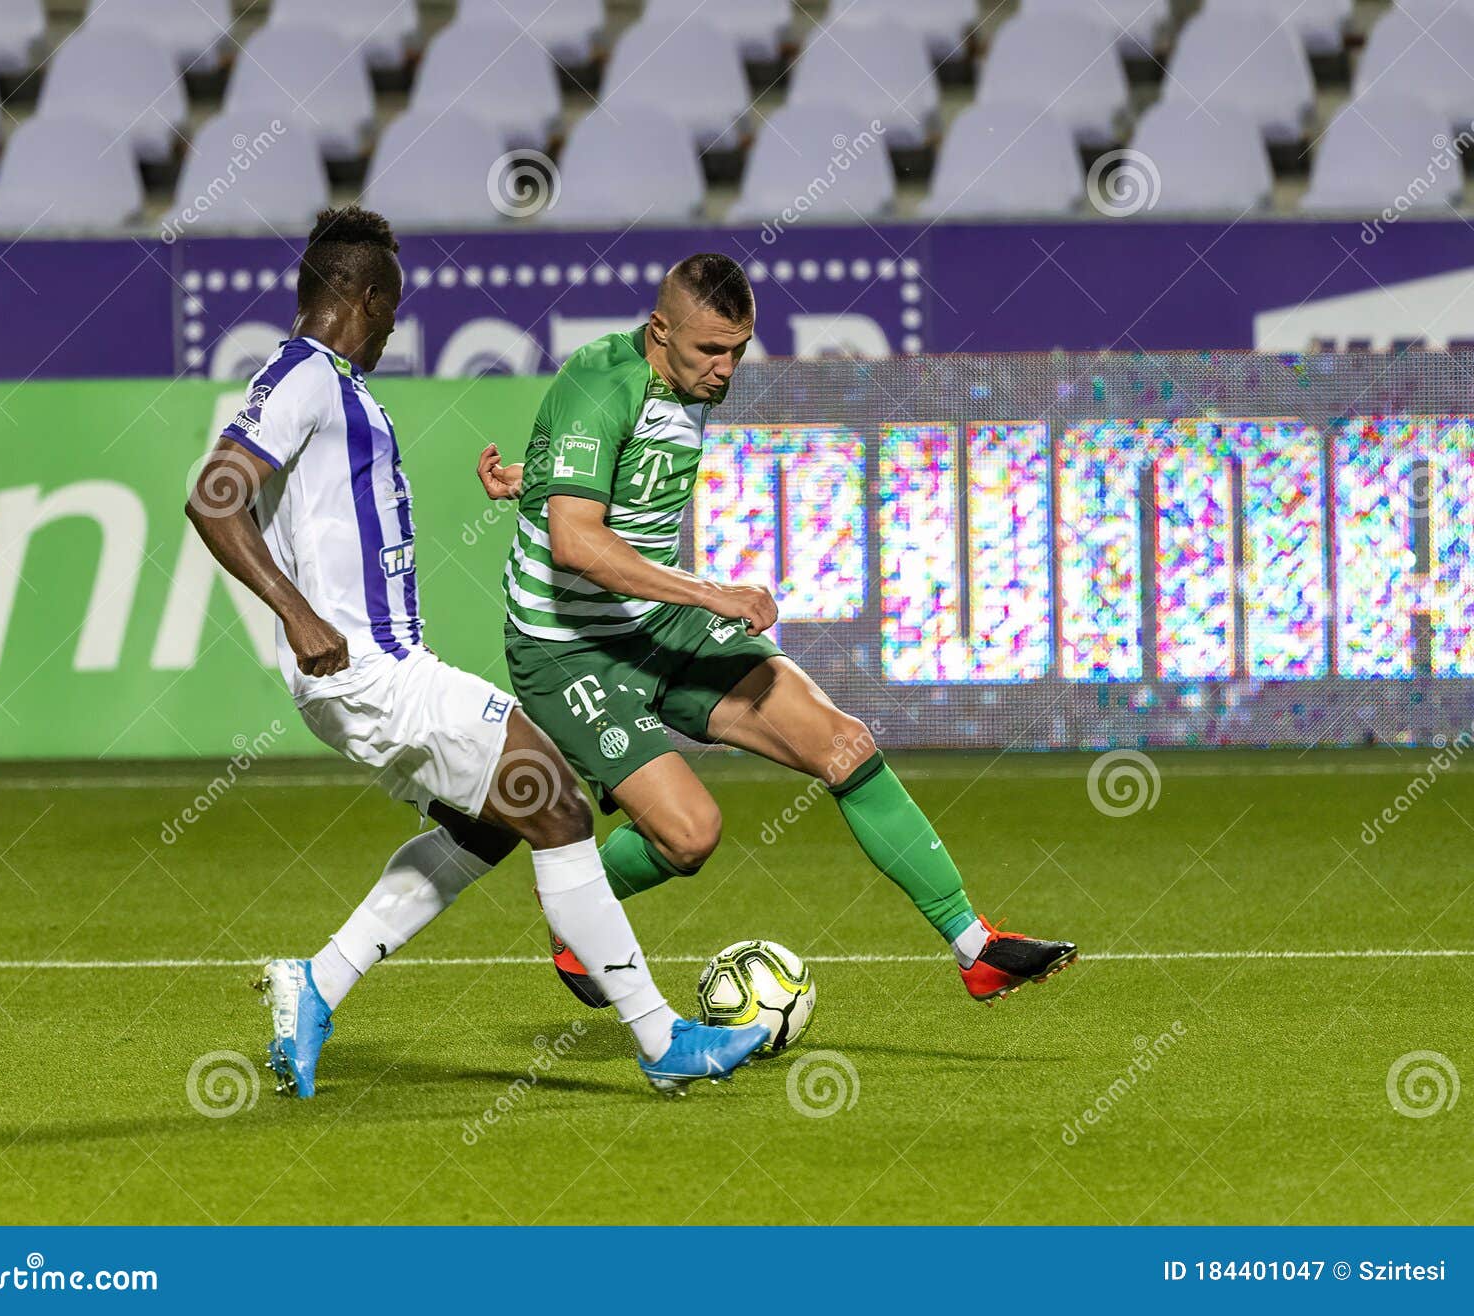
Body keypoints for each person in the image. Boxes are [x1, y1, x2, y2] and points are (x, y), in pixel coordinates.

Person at [184, 208, 767, 1098]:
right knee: (558, 801)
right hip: (368, 669)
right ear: (368, 299)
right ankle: (660, 1041)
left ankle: (317, 983)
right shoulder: (306, 376)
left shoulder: (326, 381)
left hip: (370, 669)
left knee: (490, 822)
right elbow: (213, 497)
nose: (391, 327)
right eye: (392, 309)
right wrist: (298, 615)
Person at [480, 252, 1078, 1007]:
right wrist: (708, 591)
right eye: (710, 351)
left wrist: (535, 479)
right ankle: (576, 917)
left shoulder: (689, 377)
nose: (726, 370)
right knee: (690, 836)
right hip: (567, 651)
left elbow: (598, 470)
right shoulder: (601, 381)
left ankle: (976, 948)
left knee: (843, 743)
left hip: (659, 624)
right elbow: (576, 543)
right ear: (659, 330)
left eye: (738, 350)